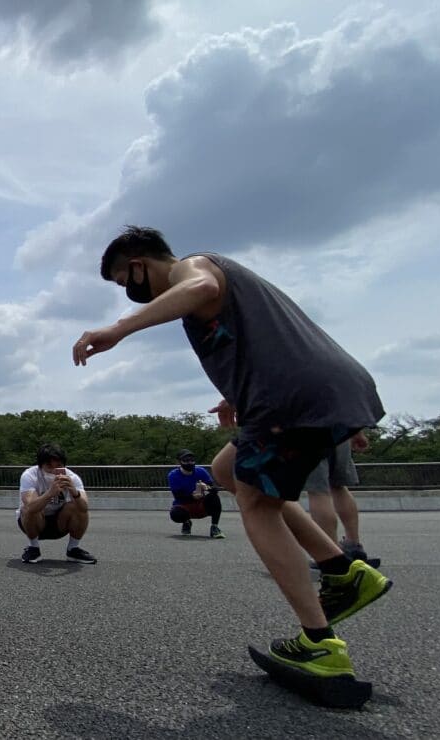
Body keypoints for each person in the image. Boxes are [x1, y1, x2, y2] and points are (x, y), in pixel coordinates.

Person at [75, 226, 391, 681]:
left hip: (290, 398)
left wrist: (118, 330)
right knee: (226, 470)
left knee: (257, 506)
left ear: (140, 264)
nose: (127, 291)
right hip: (309, 388)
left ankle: (320, 645)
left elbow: (200, 286)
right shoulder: (226, 280)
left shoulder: (194, 266)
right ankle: (343, 570)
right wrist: (235, 394)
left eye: (124, 279)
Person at [15, 444, 98, 564]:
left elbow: (84, 508)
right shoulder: (29, 475)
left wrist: (74, 492)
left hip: (59, 524)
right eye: (49, 466)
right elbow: (30, 507)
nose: (54, 471)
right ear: (40, 466)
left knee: (76, 505)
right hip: (34, 523)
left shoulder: (72, 477)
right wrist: (49, 493)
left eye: (58, 466)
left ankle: (73, 549)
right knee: (27, 509)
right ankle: (33, 548)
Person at [305, 432, 373, 564]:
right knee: (339, 487)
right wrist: (357, 432)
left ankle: (330, 554)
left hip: (310, 430)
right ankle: (354, 544)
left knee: (318, 491)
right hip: (340, 431)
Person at [167, 449, 225, 539]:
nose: (190, 463)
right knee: (175, 514)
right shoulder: (173, 475)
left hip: (201, 503)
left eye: (192, 460)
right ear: (180, 462)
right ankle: (186, 522)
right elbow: (178, 496)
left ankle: (214, 527)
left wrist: (207, 487)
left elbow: (215, 488)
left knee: (214, 497)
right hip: (184, 504)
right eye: (186, 461)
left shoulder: (200, 471)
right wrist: (192, 496)